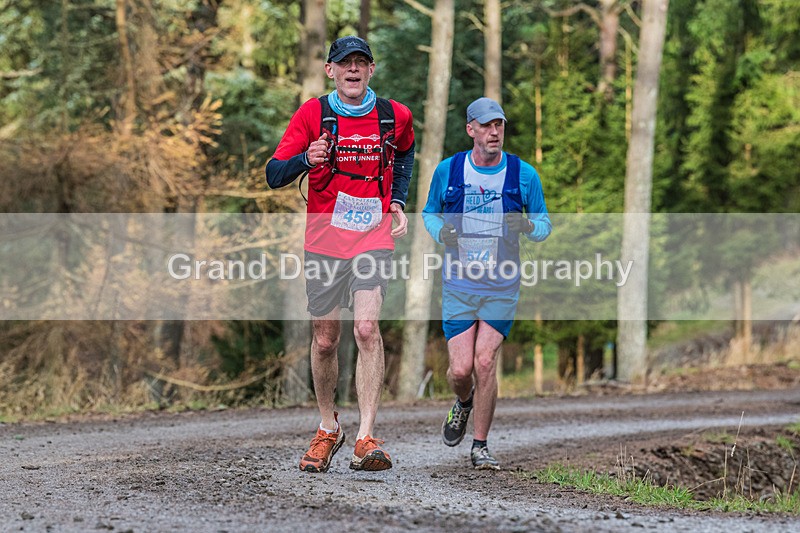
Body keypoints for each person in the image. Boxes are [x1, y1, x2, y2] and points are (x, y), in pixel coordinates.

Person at [265, 36, 415, 473]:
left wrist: (397, 199)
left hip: (373, 237)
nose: (353, 69)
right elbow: (274, 174)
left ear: (371, 70)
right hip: (324, 242)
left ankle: (366, 437)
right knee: (326, 339)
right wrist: (305, 159)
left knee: (366, 329)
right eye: (344, 62)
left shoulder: (394, 115)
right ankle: (328, 428)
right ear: (330, 70)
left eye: (360, 62)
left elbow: (406, 152)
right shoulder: (312, 114)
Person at [422, 97, 551, 470]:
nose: (494, 132)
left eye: (499, 125)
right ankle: (463, 402)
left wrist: (527, 225)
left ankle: (480, 446)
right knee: (461, 370)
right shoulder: (449, 170)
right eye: (486, 125)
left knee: (484, 361)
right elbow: (429, 213)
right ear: (471, 130)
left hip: (502, 285)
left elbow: (544, 225)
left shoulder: (524, 174)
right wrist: (441, 232)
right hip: (459, 284)